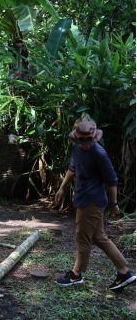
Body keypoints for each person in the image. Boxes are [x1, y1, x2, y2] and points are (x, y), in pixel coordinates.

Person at [54, 121, 135, 289]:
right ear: (76, 138)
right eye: (81, 141)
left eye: (88, 142)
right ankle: (124, 271)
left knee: (83, 237)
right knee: (98, 237)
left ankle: (76, 275)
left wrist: (113, 203)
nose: (85, 145)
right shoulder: (77, 147)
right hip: (83, 197)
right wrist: (62, 188)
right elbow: (73, 168)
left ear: (94, 138)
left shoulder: (99, 154)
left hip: (92, 201)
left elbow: (111, 181)